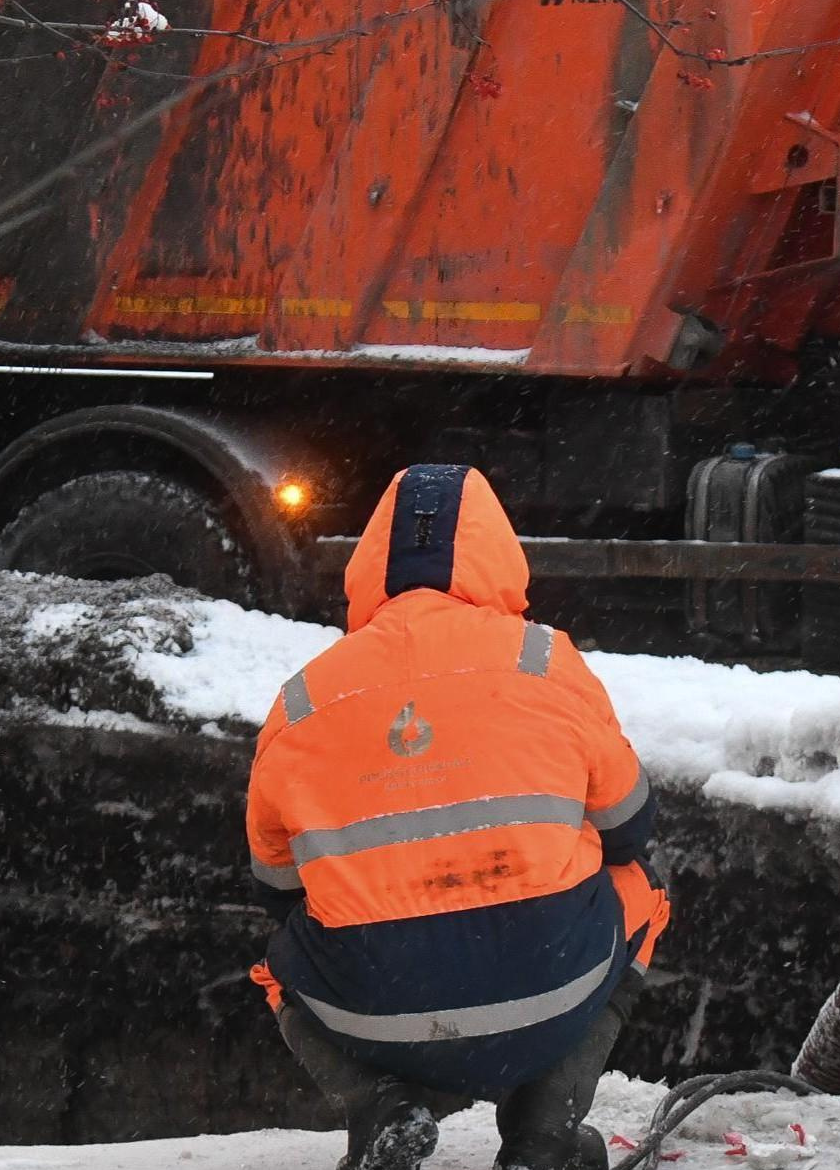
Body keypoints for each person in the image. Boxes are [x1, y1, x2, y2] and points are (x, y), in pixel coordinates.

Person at [247, 463, 669, 1170]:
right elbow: (630, 824)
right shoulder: (545, 661)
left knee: (278, 964)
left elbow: (277, 888)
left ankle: (381, 1103)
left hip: (375, 1013)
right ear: (498, 554)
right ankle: (544, 1132)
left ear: (367, 567)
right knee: (644, 890)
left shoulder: (300, 700)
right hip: (548, 992)